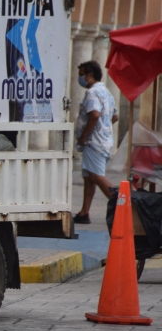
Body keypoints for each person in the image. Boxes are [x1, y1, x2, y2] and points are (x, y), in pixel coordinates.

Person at [74, 60, 118, 225]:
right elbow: (114, 116)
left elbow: (94, 115)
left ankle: (121, 205)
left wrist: (85, 135)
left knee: (96, 175)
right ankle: (84, 212)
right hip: (104, 140)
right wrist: (104, 128)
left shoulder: (92, 93)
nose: (80, 79)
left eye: (81, 75)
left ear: (89, 75)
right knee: (89, 176)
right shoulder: (106, 92)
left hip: (94, 142)